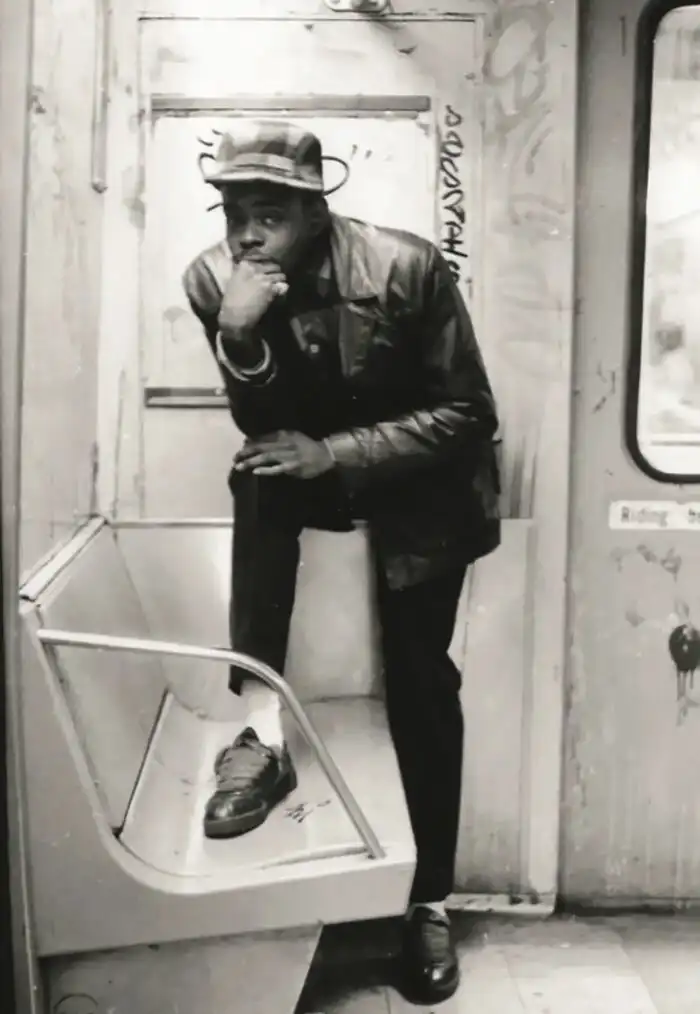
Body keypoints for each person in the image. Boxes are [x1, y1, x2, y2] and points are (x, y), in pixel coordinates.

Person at [182, 120, 500, 1005]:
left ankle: (426, 901)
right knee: (256, 473)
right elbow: (263, 424)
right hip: (315, 470)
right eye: (235, 214)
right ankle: (262, 733)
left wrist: (338, 454)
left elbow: (469, 413)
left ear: (316, 212)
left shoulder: (405, 266)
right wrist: (239, 336)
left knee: (420, 681)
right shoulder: (214, 280)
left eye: (269, 215)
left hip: (426, 488)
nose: (247, 235)